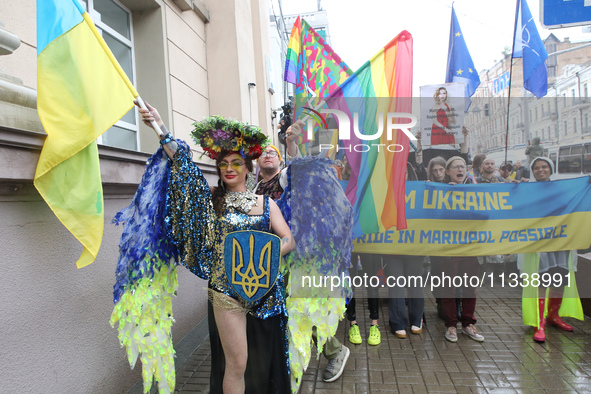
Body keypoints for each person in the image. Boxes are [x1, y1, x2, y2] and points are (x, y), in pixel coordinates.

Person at [138, 102, 294, 393]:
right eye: (223, 164)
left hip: (266, 290)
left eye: (236, 163)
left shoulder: (266, 203)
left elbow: (288, 239)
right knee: (236, 363)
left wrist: (269, 252)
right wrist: (161, 128)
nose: (229, 169)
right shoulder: (210, 201)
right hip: (226, 291)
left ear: (249, 168)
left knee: (265, 360)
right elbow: (184, 167)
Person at [255, 143, 351, 384]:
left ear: (280, 160)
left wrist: (293, 147)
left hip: (299, 257)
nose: (267, 155)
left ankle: (335, 351)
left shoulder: (288, 177)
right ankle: (280, 360)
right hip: (268, 258)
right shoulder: (254, 187)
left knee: (303, 309)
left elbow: (304, 172)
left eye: (273, 152)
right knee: (278, 311)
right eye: (262, 152)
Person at [517, 157, 584, 343]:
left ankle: (553, 316)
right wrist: (514, 189)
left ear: (550, 168)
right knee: (542, 280)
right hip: (540, 244)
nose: (540, 170)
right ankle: (539, 323)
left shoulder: (561, 188)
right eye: (536, 167)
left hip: (560, 241)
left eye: (544, 166)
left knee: (559, 277)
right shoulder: (527, 189)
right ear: (532, 171)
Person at [431, 156, 484, 343]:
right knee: (449, 288)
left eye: (463, 166)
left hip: (470, 248)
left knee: (470, 288)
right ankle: (451, 325)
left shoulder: (476, 190)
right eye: (455, 167)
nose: (460, 169)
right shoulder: (440, 191)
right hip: (449, 249)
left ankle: (468, 323)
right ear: (448, 172)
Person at [347, 253, 383, 345]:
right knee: (349, 284)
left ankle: (374, 324)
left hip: (369, 244)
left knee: (372, 282)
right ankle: (353, 323)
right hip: (351, 244)